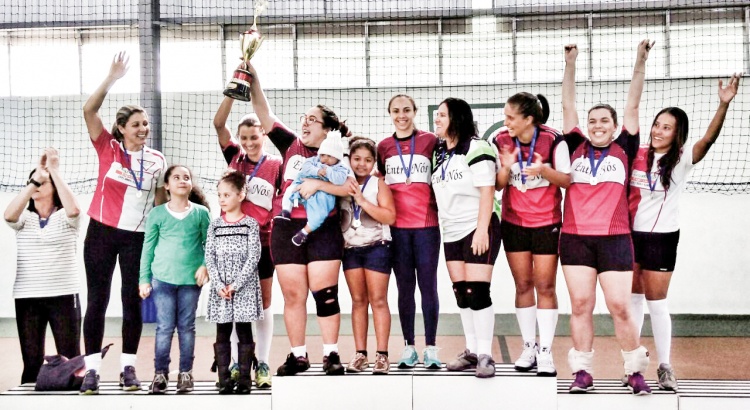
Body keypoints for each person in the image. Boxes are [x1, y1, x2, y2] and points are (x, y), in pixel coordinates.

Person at [628, 73, 741, 391]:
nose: (658, 130)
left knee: (657, 303)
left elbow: (708, 139)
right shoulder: (638, 154)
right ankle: (633, 365)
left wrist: (723, 104)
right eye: (657, 124)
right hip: (632, 236)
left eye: (667, 127)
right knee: (633, 299)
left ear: (677, 133)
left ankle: (665, 366)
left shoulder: (681, 159)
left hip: (663, 238)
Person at [244, 61, 354, 376]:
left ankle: (331, 354)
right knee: (293, 296)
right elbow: (262, 111)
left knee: (326, 294)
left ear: (327, 129)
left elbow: (348, 186)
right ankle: (298, 355)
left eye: (312, 120)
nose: (305, 123)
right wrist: (254, 77)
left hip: (324, 229)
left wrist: (318, 184)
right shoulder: (289, 144)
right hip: (286, 228)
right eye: (303, 119)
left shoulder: (340, 155)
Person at [560, 40, 653, 395]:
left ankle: (634, 370)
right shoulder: (574, 145)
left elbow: (633, 101)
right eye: (593, 121)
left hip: (615, 239)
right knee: (581, 305)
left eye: (604, 121)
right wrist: (570, 63)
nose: (598, 125)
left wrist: (640, 61)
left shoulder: (625, 147)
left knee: (619, 306)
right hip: (575, 239)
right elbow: (568, 102)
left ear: (615, 126)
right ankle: (582, 371)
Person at [80, 51, 168, 395]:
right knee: (97, 300)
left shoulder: (157, 160)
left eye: (145, 124)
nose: (143, 129)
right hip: (101, 232)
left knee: (132, 301)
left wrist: (160, 240)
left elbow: (158, 204)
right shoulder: (108, 148)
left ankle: (128, 368)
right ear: (121, 129)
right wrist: (111, 77)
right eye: (136, 125)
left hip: (137, 238)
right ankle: (91, 370)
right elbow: (89, 110)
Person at [493, 93, 571, 376]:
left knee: (546, 286)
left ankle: (546, 351)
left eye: (511, 117)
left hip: (546, 222)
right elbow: (499, 186)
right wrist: (505, 166)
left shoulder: (553, 139)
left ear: (529, 119)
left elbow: (568, 181)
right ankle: (529, 347)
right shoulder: (501, 139)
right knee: (523, 285)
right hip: (514, 223)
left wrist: (544, 170)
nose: (506, 122)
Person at [213, 96, 283, 388]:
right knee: (231, 302)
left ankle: (263, 362)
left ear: (263, 135)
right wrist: (231, 93)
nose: (249, 142)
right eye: (244, 138)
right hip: (230, 243)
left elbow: (279, 204)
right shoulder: (234, 158)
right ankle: (231, 365)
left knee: (264, 303)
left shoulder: (277, 165)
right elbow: (218, 124)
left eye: (254, 137)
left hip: (264, 242)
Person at [433, 98, 501, 378]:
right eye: (436, 115)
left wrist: (482, 229)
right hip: (451, 230)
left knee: (478, 292)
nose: (437, 119)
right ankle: (471, 350)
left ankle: (485, 355)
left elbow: (488, 190)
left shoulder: (477, 147)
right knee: (462, 294)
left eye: (442, 115)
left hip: (478, 227)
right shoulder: (440, 152)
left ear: (457, 118)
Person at [4, 148, 81, 384]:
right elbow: (8, 215)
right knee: (31, 362)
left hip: (64, 295)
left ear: (54, 188)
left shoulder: (67, 217)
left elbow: (75, 209)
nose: (36, 185)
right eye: (33, 182)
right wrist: (36, 178)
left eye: (42, 183)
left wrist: (53, 171)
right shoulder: (23, 219)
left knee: (71, 361)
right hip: (28, 297)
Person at [377, 94, 442, 369]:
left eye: (406, 110)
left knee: (428, 286)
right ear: (390, 114)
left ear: (415, 112)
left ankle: (431, 348)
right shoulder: (383, 147)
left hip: (427, 227)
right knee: (404, 289)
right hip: (398, 230)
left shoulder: (430, 141)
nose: (401, 115)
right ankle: (409, 347)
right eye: (395, 110)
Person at [138, 165, 211, 394]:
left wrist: (205, 266)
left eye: (186, 177)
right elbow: (148, 247)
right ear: (167, 185)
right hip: (163, 280)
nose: (182, 180)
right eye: (176, 177)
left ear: (191, 184)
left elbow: (210, 244)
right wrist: (144, 279)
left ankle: (185, 374)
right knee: (164, 328)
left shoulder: (201, 213)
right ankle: (160, 375)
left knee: (187, 327)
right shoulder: (157, 214)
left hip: (190, 281)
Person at [340, 137, 397, 374]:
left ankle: (382, 355)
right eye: (357, 159)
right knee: (358, 301)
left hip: (377, 247)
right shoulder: (342, 183)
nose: (361, 164)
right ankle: (360, 354)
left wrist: (362, 200)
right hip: (350, 250)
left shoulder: (378, 185)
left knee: (379, 300)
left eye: (367, 160)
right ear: (349, 160)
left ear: (374, 162)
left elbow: (389, 217)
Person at [206, 171, 263, 394]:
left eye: (227, 194)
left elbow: (253, 256)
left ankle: (245, 381)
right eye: (219, 195)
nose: (221, 199)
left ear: (241, 195)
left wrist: (236, 285)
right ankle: (225, 380)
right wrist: (220, 284)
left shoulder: (250, 224)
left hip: (244, 288)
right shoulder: (215, 225)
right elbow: (209, 256)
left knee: (244, 331)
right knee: (222, 332)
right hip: (221, 288)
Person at [280, 132, 350, 246]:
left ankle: (303, 233)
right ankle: (286, 211)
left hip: (321, 196)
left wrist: (328, 171)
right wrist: (317, 171)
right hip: (301, 186)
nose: (325, 159)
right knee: (290, 191)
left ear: (337, 157)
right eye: (323, 155)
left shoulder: (341, 167)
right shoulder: (313, 160)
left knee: (319, 215)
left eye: (330, 156)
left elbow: (340, 180)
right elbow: (305, 169)